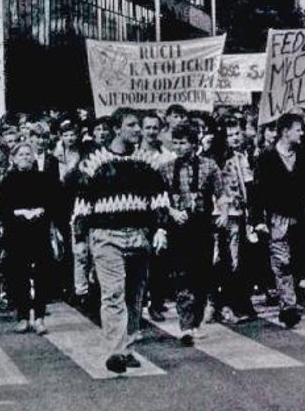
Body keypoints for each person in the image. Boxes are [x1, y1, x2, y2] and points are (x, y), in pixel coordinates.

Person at [71, 108, 171, 374]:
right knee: (113, 293)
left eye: (139, 126)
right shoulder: (94, 160)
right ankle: (115, 351)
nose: (138, 130)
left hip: (139, 234)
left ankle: (128, 346)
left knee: (134, 294)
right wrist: (80, 238)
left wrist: (161, 228)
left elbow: (160, 196)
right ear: (117, 128)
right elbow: (82, 202)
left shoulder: (148, 161)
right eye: (132, 125)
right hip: (106, 236)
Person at [255, 113, 305, 329]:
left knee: (299, 261)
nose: (302, 133)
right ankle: (288, 307)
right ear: (285, 132)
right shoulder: (266, 158)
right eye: (298, 129)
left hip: (301, 218)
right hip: (278, 218)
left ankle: (291, 295)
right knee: (281, 262)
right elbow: (258, 191)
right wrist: (257, 219)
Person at [162, 123, 224, 345]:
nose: (179, 147)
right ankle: (186, 325)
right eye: (175, 143)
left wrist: (222, 213)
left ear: (194, 144)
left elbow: (221, 193)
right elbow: (160, 198)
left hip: (203, 226)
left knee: (201, 275)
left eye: (183, 142)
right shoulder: (166, 168)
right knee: (182, 276)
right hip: (179, 227)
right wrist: (172, 212)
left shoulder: (209, 166)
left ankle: (195, 321)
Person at [0, 143, 65, 335]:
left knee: (43, 273)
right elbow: (0, 206)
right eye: (21, 155)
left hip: (39, 231)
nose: (25, 157)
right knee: (18, 274)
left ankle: (40, 317)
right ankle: (23, 317)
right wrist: (18, 212)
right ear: (14, 158)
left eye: (28, 154)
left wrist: (42, 210)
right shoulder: (8, 180)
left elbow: (55, 202)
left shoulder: (43, 178)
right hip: (16, 232)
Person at [212, 117, 258, 322]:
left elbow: (248, 186)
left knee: (237, 260)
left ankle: (237, 302)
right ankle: (224, 304)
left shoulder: (242, 157)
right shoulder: (214, 159)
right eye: (229, 135)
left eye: (237, 134)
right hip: (219, 214)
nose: (234, 138)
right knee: (222, 260)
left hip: (238, 213)